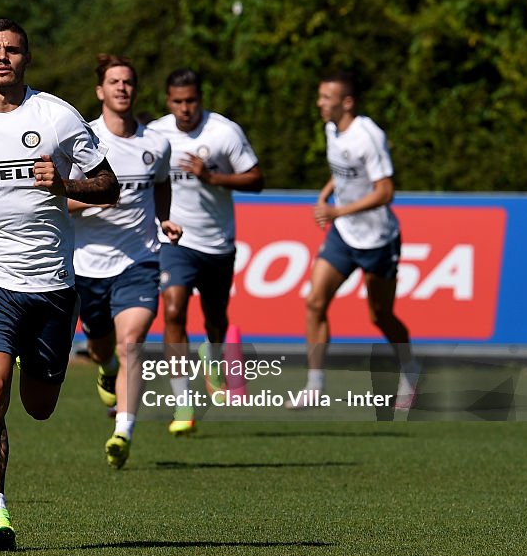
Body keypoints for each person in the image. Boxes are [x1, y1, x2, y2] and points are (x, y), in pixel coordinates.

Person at [0, 19, 119, 550]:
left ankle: (85, 370)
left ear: (27, 58)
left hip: (52, 284)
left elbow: (109, 186)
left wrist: (66, 184)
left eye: (13, 50)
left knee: (38, 404)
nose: (3, 58)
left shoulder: (57, 117)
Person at [68, 54, 180, 469]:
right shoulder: (82, 143)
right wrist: (94, 198)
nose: (121, 88)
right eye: (114, 82)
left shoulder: (156, 144)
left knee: (133, 343)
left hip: (139, 259)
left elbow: (162, 183)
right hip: (87, 264)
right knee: (102, 347)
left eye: (128, 82)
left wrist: (163, 217)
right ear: (100, 91)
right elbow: (60, 199)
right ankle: (106, 368)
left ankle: (124, 430)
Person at [287, 71, 419, 410]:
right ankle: (314, 386)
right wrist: (325, 195)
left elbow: (385, 191)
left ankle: (411, 369)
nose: (319, 103)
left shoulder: (369, 136)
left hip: (377, 240)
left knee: (380, 316)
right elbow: (342, 170)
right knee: (315, 301)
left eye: (325, 98)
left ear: (346, 102)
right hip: (343, 237)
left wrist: (338, 211)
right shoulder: (332, 128)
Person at [148, 68, 264, 436]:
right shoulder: (157, 134)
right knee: (173, 310)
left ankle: (213, 357)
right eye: (178, 102)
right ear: (168, 101)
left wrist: (212, 178)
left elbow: (256, 179)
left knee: (216, 320)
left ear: (201, 99)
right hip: (175, 241)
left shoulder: (223, 132)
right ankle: (183, 403)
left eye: (191, 101)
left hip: (217, 243)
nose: (185, 109)